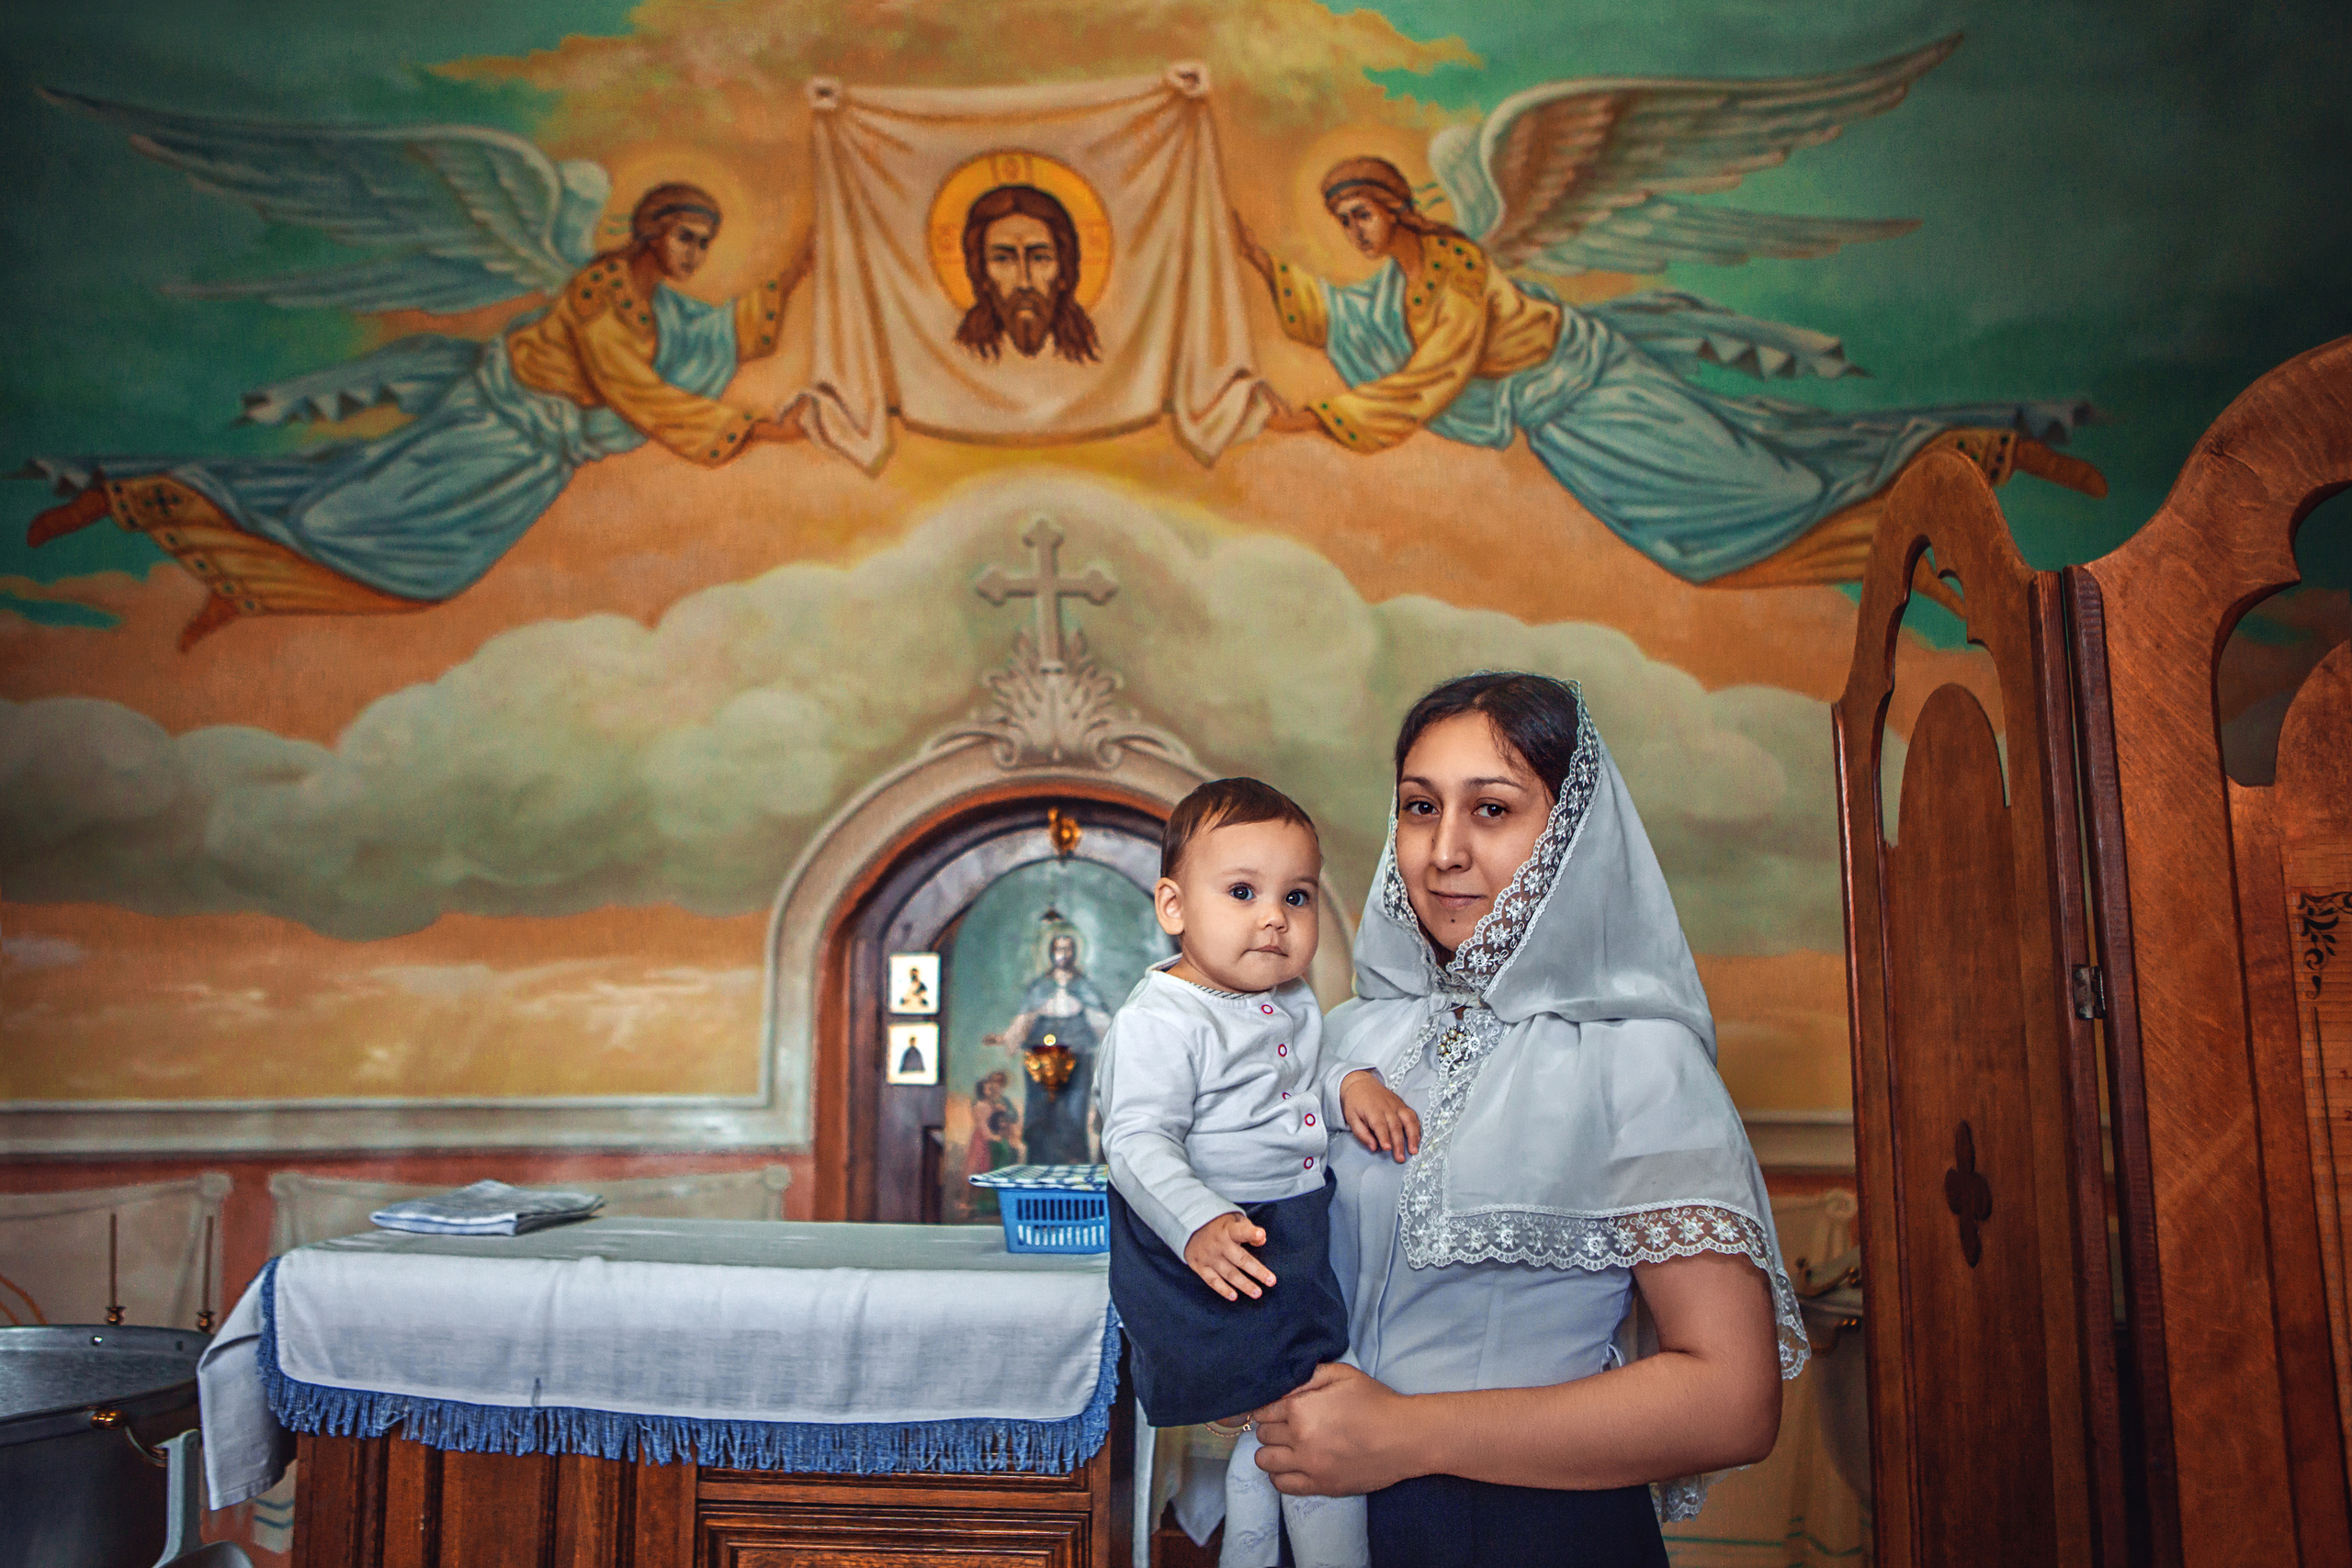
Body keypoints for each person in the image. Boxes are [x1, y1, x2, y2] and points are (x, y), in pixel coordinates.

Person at [1246, 672, 1804, 1568]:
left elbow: (1732, 1401)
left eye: (1493, 810)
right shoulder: (1341, 1038)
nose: (1443, 851)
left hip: (1533, 1537)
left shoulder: (1636, 1061)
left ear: (1572, 837)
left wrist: (1404, 1435)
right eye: (1420, 808)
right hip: (1310, 1527)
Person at [1233, 158, 2105, 594]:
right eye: (1343, 222)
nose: (1353, 233)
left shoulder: (1453, 273)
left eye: (1360, 216)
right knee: (1703, 558)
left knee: (1773, 480)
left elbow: (1431, 378)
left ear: (1395, 211)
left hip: (1604, 391)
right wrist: (1249, 257)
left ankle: (1989, 454)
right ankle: (1908, 553)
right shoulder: (1398, 288)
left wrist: (1314, 419)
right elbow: (1345, 319)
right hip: (1568, 428)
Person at [27, 182, 810, 648]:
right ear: (649, 231)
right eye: (686, 237)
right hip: (491, 435)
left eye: (704, 243)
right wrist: (765, 428)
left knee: (421, 576)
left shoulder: (659, 310)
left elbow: (713, 334)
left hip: (528, 467)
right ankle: (136, 497)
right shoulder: (602, 296)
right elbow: (639, 393)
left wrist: (801, 269)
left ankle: (248, 583)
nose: (695, 254)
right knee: (347, 519)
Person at [1096, 778, 1418, 1568]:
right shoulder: (1161, 1019)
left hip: (1293, 1227)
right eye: (1243, 891)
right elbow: (1136, 1138)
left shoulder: (1292, 997)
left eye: (1297, 896)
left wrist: (1352, 1085)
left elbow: (1311, 1067)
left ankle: (1254, 1523)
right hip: (1219, 1240)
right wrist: (1197, 1219)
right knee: (1300, 1404)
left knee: (1291, 1403)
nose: (1275, 916)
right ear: (1174, 907)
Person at [986, 926, 1114, 1165]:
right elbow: (1023, 1019)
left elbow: (1101, 1019)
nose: (1063, 954)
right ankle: (1039, 1163)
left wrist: (1118, 1037)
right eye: (1058, 949)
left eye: (1068, 949)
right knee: (1041, 1112)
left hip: (1077, 1054)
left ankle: (1073, 1163)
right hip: (1040, 1056)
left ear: (1075, 953)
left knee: (1074, 1112)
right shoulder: (1040, 987)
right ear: (1050, 952)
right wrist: (1006, 1038)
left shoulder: (1084, 986)